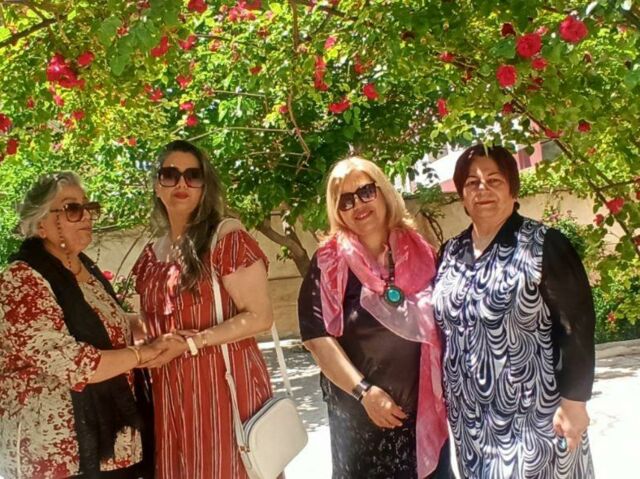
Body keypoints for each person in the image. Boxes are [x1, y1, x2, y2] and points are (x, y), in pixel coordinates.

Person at [432, 144, 596, 478]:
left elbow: (576, 326)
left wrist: (574, 402)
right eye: (472, 183)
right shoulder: (450, 252)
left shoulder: (543, 244)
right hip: (471, 421)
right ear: (461, 195)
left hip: (536, 415)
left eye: (494, 180)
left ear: (512, 188)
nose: (483, 190)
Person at [0, 172, 169, 479]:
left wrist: (167, 326)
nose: (86, 215)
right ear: (40, 224)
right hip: (53, 455)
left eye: (87, 206)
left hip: (112, 449)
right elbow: (75, 364)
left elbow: (114, 325)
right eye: (72, 208)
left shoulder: (84, 269)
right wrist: (141, 355)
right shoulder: (20, 280)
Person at [297, 156, 453, 478]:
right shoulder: (328, 262)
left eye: (366, 191)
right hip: (362, 419)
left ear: (383, 192)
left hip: (422, 414)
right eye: (345, 200)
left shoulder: (420, 250)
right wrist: (364, 392)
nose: (358, 204)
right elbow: (316, 338)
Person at [132, 140, 274, 479]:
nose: (181, 183)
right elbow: (152, 322)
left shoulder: (226, 240)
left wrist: (193, 342)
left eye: (192, 175)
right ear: (157, 185)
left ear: (205, 185)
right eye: (170, 174)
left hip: (223, 388)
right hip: (170, 394)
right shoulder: (152, 255)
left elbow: (260, 317)